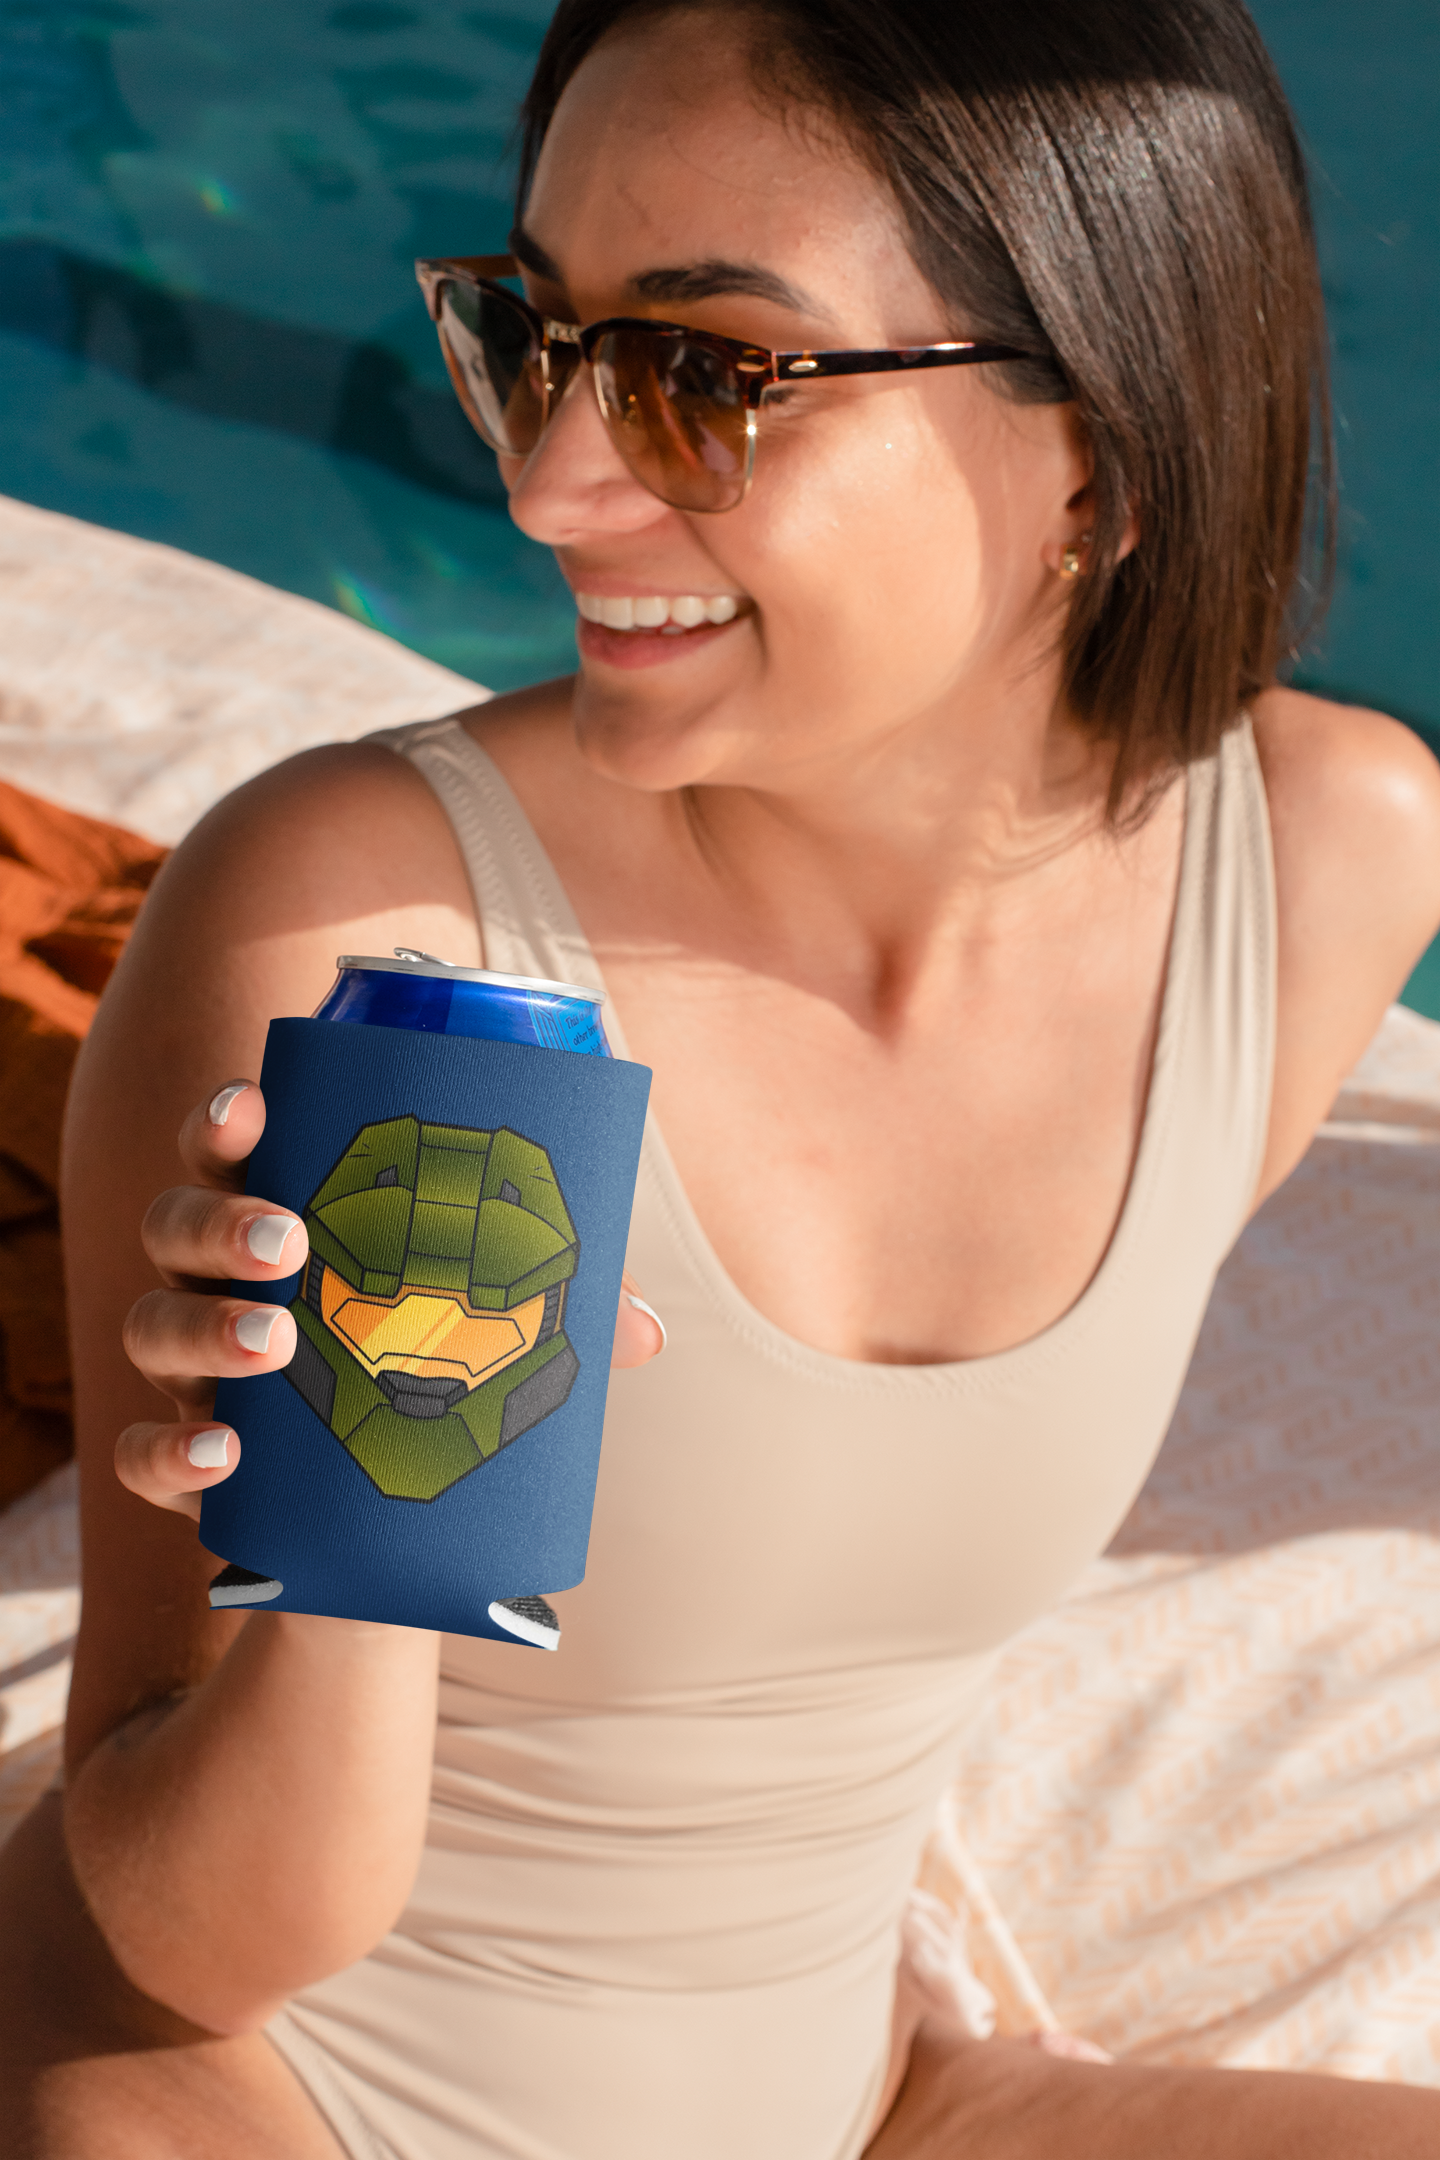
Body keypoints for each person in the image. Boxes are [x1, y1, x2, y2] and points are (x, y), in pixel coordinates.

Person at [7, 0, 1440, 2152]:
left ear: (1102, 444)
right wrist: (368, 1554)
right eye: (539, 338)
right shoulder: (376, 932)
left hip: (864, 2097)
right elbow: (181, 1945)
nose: (549, 481)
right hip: (267, 2083)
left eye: (706, 375)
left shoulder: (1322, 858)